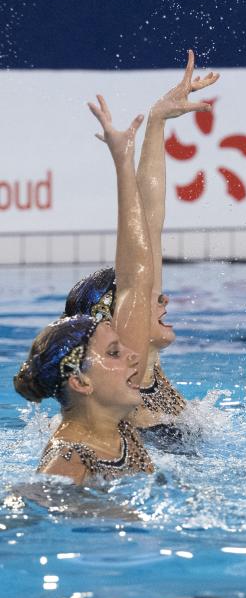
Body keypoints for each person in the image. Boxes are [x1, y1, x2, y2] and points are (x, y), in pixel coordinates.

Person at [63, 51, 219, 453]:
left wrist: (158, 123)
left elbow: (150, 226)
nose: (163, 296)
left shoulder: (148, 379)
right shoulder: (122, 395)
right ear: (117, 322)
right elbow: (137, 261)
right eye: (149, 296)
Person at [14, 98, 155, 484]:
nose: (132, 354)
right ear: (81, 382)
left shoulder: (117, 425)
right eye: (113, 352)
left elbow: (138, 274)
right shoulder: (66, 466)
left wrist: (124, 161)